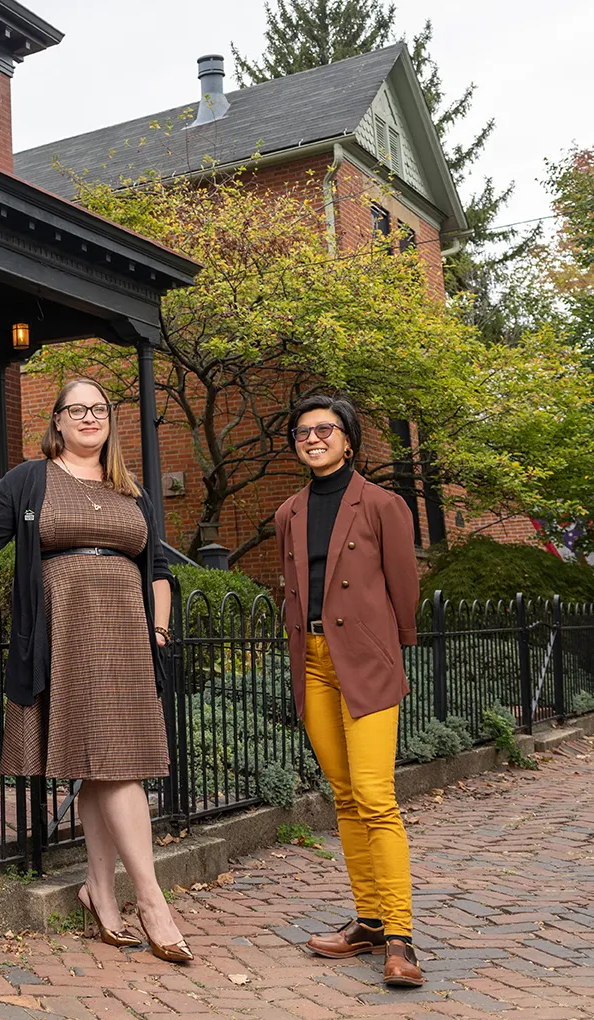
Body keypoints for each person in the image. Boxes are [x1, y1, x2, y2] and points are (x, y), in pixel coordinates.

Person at [0, 378, 190, 962]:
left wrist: (157, 630)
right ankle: (152, 900)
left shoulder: (133, 493)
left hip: (128, 642)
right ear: (56, 421)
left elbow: (157, 569)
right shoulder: (29, 480)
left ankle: (101, 893)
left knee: (101, 764)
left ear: (110, 420)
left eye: (98, 409)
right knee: (109, 764)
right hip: (66, 636)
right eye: (75, 410)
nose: (88, 418)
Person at [274, 394, 423, 988]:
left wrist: (397, 644)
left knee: (374, 794)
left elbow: (403, 581)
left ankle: (401, 939)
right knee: (343, 795)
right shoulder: (288, 511)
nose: (312, 438)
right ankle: (366, 922)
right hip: (310, 661)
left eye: (324, 429)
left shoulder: (383, 504)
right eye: (301, 432)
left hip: (365, 660)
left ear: (348, 440)